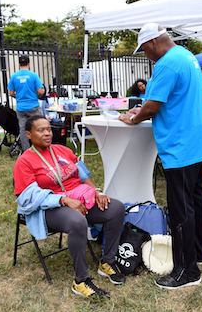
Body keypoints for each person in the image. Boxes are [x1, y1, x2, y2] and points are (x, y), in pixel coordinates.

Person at [118, 23, 202, 290]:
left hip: (182, 146)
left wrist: (133, 117)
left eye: (144, 50)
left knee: (180, 210)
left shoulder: (166, 63)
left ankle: (186, 272)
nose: (146, 56)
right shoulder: (186, 56)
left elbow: (152, 106)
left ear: (153, 42)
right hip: (199, 141)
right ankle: (197, 254)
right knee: (195, 202)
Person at [13, 115, 126, 299]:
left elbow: (82, 173)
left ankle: (108, 262)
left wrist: (96, 191)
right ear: (28, 134)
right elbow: (28, 197)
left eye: (48, 129)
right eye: (40, 130)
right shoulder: (25, 162)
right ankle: (81, 281)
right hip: (48, 209)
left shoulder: (62, 150)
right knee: (77, 221)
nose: (47, 133)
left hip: (79, 200)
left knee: (116, 208)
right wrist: (64, 200)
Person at [8, 55, 45, 151]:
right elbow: (40, 91)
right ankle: (41, 147)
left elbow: (11, 93)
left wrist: (19, 97)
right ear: (29, 63)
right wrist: (37, 96)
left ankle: (26, 151)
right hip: (33, 106)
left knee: (24, 130)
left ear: (19, 64)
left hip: (21, 107)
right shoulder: (33, 75)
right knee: (40, 127)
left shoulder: (14, 76)